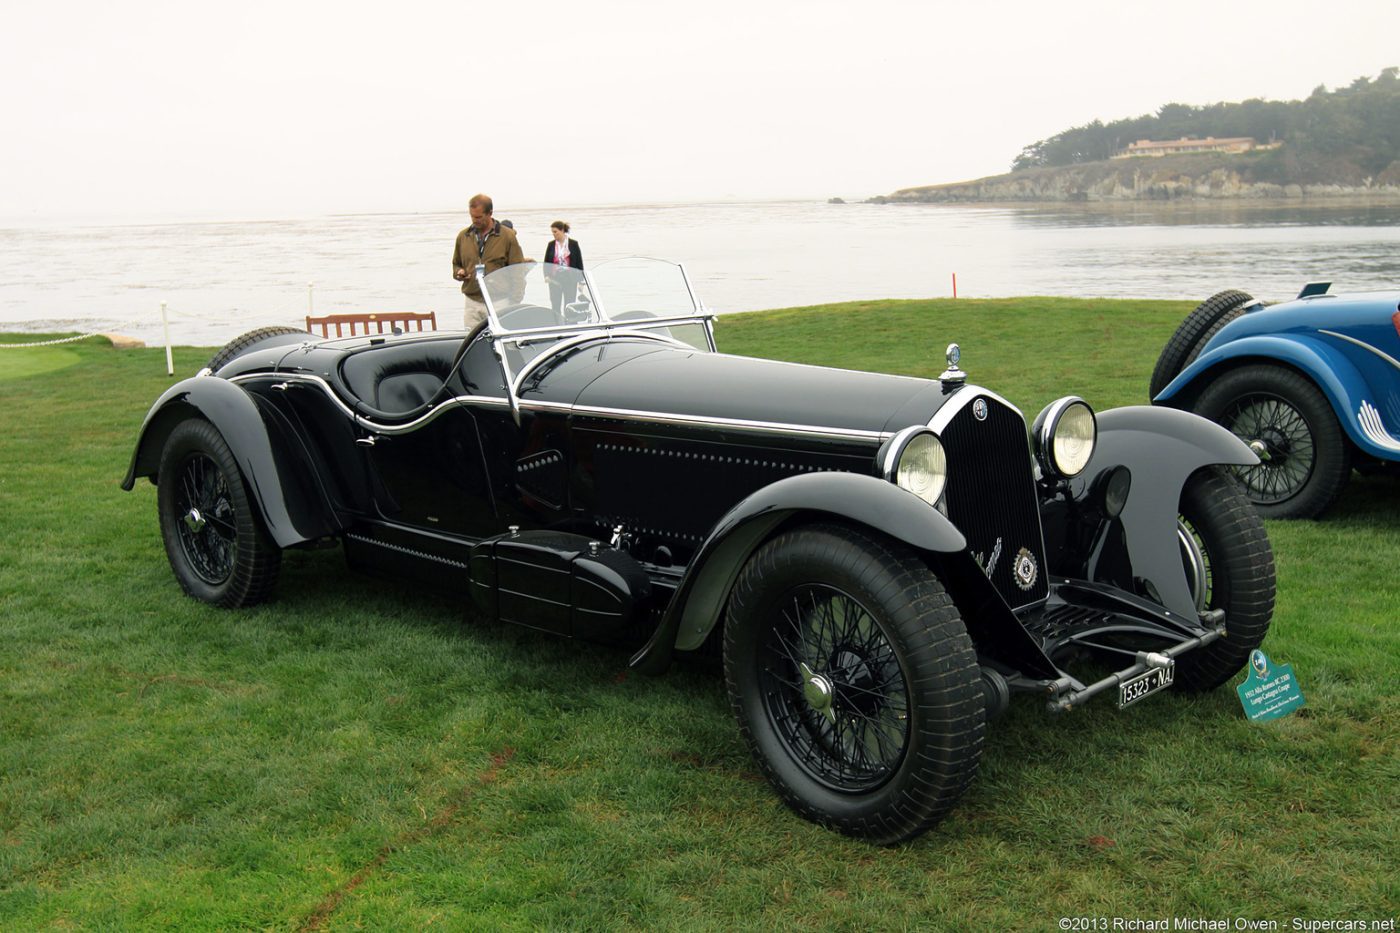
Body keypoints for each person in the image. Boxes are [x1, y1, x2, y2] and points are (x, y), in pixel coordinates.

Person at [452, 194, 524, 329]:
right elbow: (456, 264)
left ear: (490, 213)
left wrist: (514, 302)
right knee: (470, 345)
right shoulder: (463, 236)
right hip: (472, 302)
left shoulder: (507, 236)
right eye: (472, 216)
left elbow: (518, 271)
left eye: (479, 217)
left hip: (500, 302)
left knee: (500, 345)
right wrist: (459, 272)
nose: (474, 220)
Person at [542, 221, 583, 316]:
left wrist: (581, 281)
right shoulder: (551, 245)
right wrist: (546, 275)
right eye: (552, 232)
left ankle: (571, 324)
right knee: (555, 304)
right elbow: (546, 262)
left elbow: (579, 263)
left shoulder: (573, 244)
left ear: (562, 230)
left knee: (569, 304)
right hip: (555, 278)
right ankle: (556, 323)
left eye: (555, 232)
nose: (554, 234)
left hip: (570, 278)